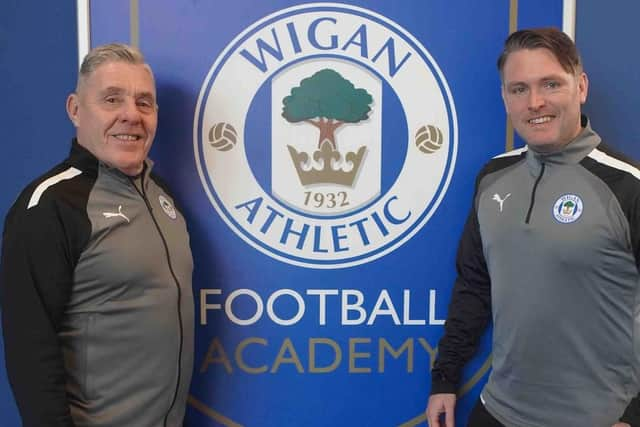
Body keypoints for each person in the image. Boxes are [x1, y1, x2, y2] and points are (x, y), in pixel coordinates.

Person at [426, 28, 640, 427]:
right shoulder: (493, 177)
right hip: (501, 410)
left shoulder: (627, 186)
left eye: (551, 84)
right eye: (519, 89)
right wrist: (444, 379)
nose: (535, 102)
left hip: (599, 417)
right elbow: (474, 285)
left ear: (581, 87)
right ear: (505, 98)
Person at [0, 43, 194, 426]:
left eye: (144, 103)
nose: (131, 116)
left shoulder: (163, 196)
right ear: (75, 109)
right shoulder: (50, 205)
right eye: (112, 99)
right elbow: (29, 348)